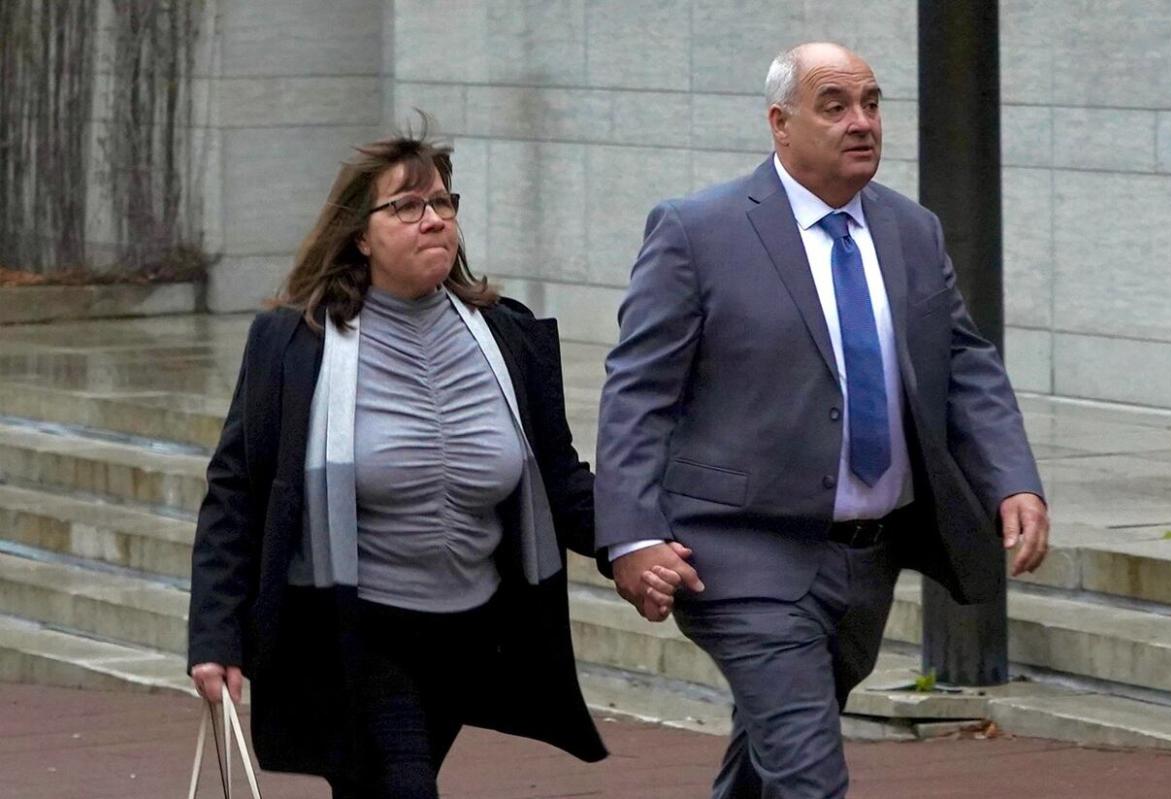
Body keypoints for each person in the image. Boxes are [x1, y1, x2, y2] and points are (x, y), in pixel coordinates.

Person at [594, 42, 1050, 798]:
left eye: (871, 104)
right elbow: (637, 391)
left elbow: (965, 364)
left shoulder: (911, 230)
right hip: (738, 549)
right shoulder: (696, 232)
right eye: (833, 106)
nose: (860, 122)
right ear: (780, 123)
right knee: (808, 773)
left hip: (866, 556)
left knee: (773, 748)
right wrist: (633, 536)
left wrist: (1013, 480)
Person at [188, 127, 606, 798]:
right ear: (361, 234)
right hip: (353, 634)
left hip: (470, 633)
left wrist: (638, 544)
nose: (434, 219)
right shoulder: (297, 343)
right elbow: (237, 490)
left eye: (442, 201)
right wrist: (215, 632)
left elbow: (558, 477)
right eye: (407, 206)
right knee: (401, 784)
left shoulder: (508, 335)